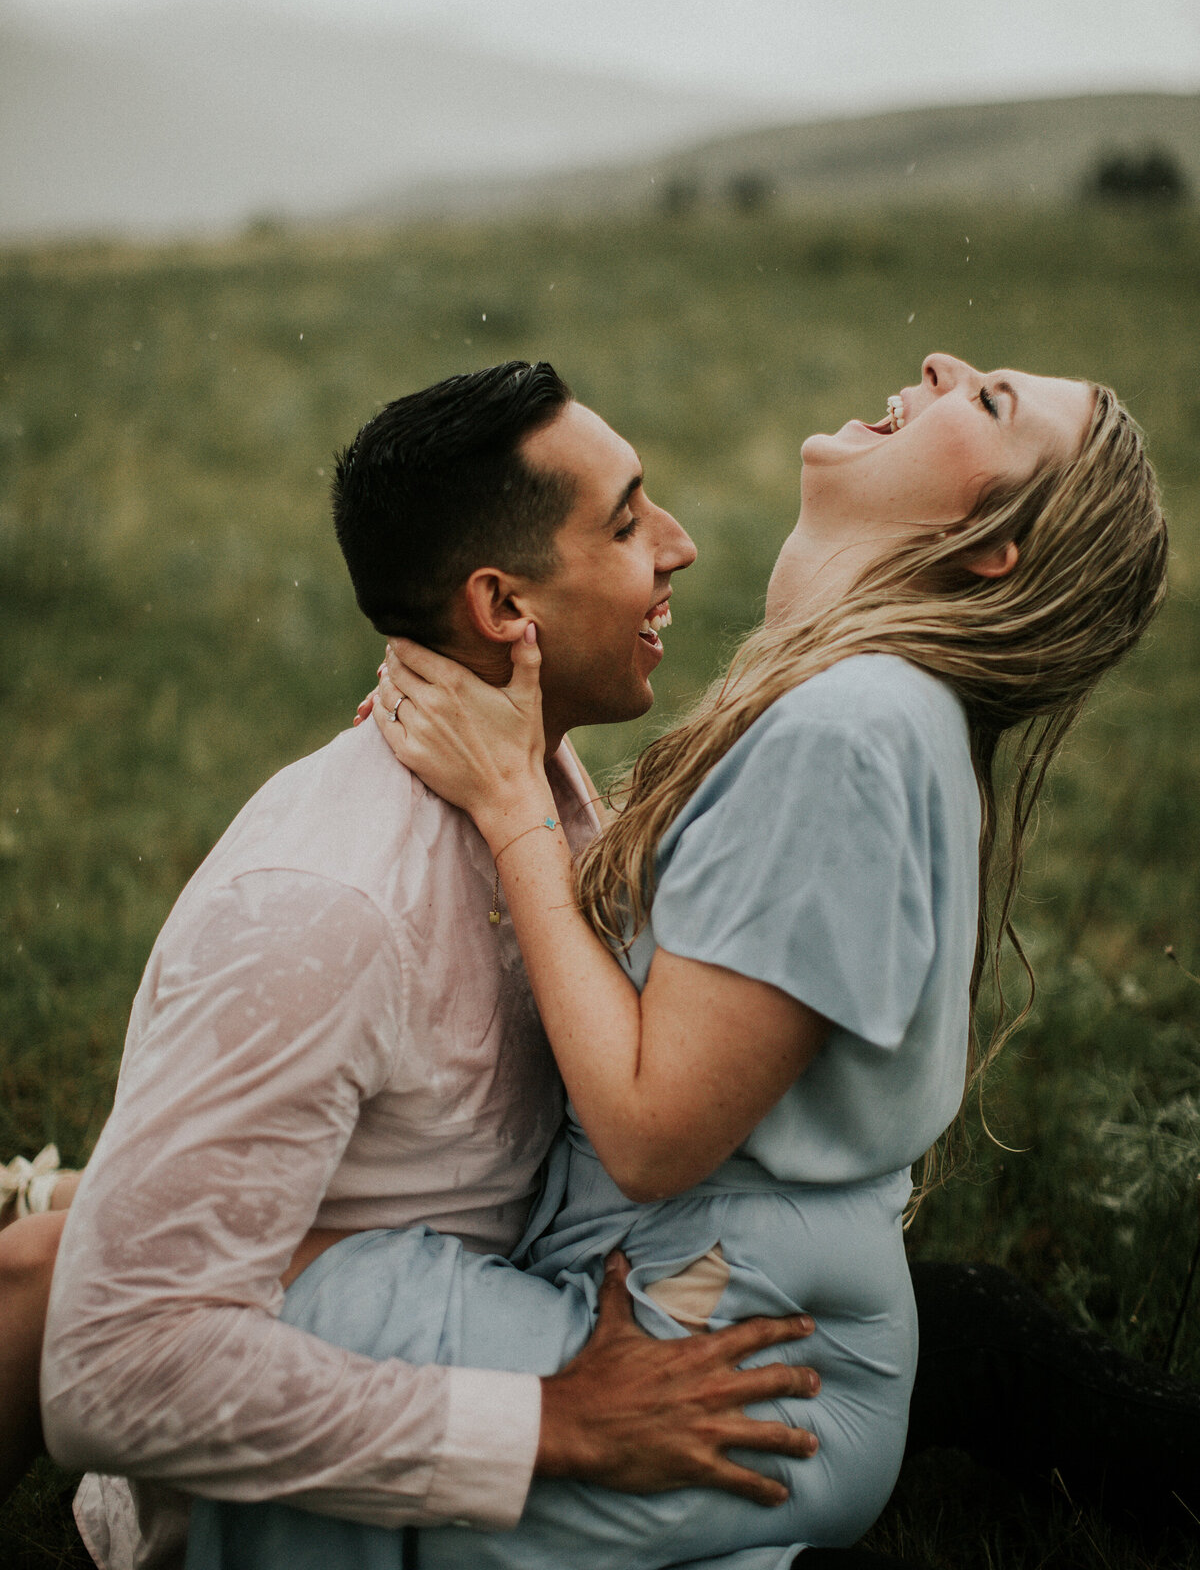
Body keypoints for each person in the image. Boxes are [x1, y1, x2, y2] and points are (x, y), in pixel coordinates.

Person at [182, 351, 1169, 1570]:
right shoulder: (873, 712)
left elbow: (653, 1132)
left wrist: (508, 805)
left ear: (992, 546)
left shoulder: (852, 732)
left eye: (991, 403)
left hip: (716, 1364)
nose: (941, 364)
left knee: (282, 1325)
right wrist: (520, 758)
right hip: (737, 1327)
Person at [29, 361, 824, 1570]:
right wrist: (552, 1425)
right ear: (505, 609)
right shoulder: (324, 909)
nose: (681, 545)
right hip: (291, 1523)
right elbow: (116, 1374)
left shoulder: (537, 779)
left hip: (499, 1317)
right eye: (625, 520)